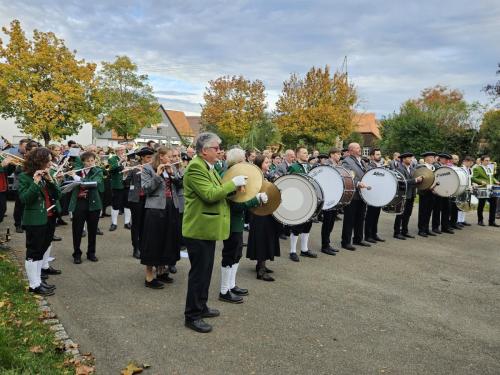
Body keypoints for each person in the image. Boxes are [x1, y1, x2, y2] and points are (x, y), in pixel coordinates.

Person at [183, 132, 246, 333]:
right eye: (216, 148)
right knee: (199, 275)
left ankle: (201, 307)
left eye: (220, 148)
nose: (220, 152)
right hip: (199, 229)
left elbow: (218, 191)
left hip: (207, 229)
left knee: (206, 272)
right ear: (204, 151)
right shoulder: (195, 167)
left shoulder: (207, 167)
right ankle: (192, 315)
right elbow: (210, 195)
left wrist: (233, 189)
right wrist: (232, 183)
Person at [219, 148, 267, 302]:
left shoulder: (236, 174)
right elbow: (236, 205)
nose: (246, 163)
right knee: (229, 255)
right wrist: (256, 199)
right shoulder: (229, 177)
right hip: (231, 222)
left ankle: (231, 285)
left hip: (236, 222)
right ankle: (224, 290)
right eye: (244, 160)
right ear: (237, 162)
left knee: (236, 254)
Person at [18, 148, 62, 296]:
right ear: (38, 161)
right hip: (35, 220)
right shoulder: (25, 177)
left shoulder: (47, 175)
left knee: (42, 251)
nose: (50, 163)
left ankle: (38, 281)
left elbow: (58, 195)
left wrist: (50, 181)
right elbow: (25, 199)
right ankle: (33, 285)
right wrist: (35, 182)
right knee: (33, 251)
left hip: (49, 217)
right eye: (47, 160)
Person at [140, 147, 182, 288]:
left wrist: (173, 175)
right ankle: (149, 277)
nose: (173, 159)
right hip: (155, 209)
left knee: (168, 239)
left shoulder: (172, 168)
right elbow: (146, 189)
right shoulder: (147, 168)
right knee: (153, 241)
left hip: (172, 207)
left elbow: (180, 185)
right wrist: (157, 176)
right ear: (162, 156)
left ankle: (162, 271)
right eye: (170, 156)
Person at [247, 154, 281, 281]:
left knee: (267, 237)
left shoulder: (267, 175)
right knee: (261, 239)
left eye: (269, 162)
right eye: (266, 162)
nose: (269, 164)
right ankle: (261, 271)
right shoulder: (255, 177)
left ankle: (261, 265)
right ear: (259, 163)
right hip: (259, 212)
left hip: (267, 211)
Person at [68, 152, 104, 264]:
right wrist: (68, 175)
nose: (90, 163)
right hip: (79, 203)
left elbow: (94, 183)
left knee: (92, 230)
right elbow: (67, 184)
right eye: (87, 161)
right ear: (83, 162)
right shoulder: (77, 170)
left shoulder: (98, 170)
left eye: (92, 160)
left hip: (93, 203)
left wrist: (76, 177)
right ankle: (77, 254)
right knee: (77, 230)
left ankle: (91, 253)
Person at [287, 146, 318, 261]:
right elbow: (289, 183)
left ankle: (304, 250)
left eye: (307, 153)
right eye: (304, 153)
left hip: (310, 200)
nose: (307, 155)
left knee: (307, 225)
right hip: (298, 200)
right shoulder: (293, 167)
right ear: (297, 154)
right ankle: (292, 251)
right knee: (297, 226)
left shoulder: (310, 167)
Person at [340, 143, 371, 250]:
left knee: (360, 217)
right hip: (352, 194)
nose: (360, 149)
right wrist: (358, 183)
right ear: (351, 150)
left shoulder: (361, 161)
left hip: (362, 194)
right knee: (349, 219)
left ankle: (358, 239)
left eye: (360, 147)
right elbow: (347, 176)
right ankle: (346, 242)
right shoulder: (346, 161)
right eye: (358, 148)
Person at [128, 147, 154, 259]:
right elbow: (125, 181)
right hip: (137, 199)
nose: (150, 159)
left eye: (151, 157)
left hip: (149, 198)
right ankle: (136, 247)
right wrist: (132, 171)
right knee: (136, 224)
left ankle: (144, 246)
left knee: (146, 224)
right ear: (142, 158)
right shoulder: (134, 167)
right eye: (148, 157)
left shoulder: (153, 167)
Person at [393, 152, 423, 239]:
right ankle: (397, 232)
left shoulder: (413, 169)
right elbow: (401, 182)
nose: (411, 160)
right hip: (403, 195)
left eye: (411, 158)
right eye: (409, 158)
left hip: (411, 194)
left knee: (408, 214)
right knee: (400, 214)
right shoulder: (399, 169)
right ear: (404, 159)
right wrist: (415, 180)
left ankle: (405, 231)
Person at [320, 148, 342, 255]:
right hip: (328, 197)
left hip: (335, 197)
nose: (339, 156)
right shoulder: (326, 164)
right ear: (332, 155)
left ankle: (328, 243)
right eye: (338, 154)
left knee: (332, 221)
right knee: (327, 222)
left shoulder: (338, 165)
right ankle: (324, 246)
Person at [108, 145, 132, 231]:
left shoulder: (127, 158)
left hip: (127, 183)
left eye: (123, 150)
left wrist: (129, 166)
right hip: (117, 184)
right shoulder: (112, 159)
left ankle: (127, 222)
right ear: (116, 151)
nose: (123, 152)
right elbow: (111, 169)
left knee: (127, 203)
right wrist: (120, 161)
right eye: (120, 150)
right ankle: (114, 223)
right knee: (116, 204)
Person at [364, 148, 385, 243]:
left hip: (379, 193)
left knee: (376, 214)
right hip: (372, 193)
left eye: (380, 154)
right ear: (372, 156)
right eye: (377, 154)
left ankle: (374, 234)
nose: (379, 156)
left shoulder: (381, 165)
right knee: (370, 215)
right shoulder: (369, 166)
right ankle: (368, 235)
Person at [472, 155, 499, 227]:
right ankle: (480, 220)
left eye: (489, 160)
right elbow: (473, 178)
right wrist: (480, 182)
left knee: (494, 204)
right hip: (483, 189)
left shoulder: (490, 168)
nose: (488, 162)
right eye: (486, 160)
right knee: (481, 204)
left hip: (491, 188)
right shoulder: (477, 168)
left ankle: (491, 221)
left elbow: (491, 177)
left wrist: (496, 181)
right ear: (482, 161)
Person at [432, 153, 454, 234]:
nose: (447, 161)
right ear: (440, 159)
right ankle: (435, 227)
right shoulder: (436, 166)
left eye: (447, 159)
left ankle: (445, 227)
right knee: (437, 210)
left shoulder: (446, 167)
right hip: (438, 191)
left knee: (446, 209)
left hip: (446, 190)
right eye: (445, 159)